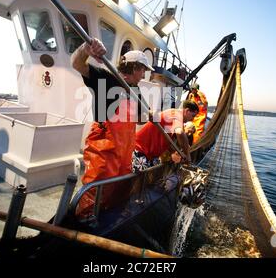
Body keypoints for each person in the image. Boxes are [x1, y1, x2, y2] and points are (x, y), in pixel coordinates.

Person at [71, 38, 154, 218]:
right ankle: (82, 223)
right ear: (134, 68)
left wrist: (149, 115)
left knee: (117, 194)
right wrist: (86, 49)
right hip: (104, 154)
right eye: (143, 70)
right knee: (93, 197)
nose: (144, 75)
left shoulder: (136, 91)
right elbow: (77, 63)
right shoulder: (107, 78)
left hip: (125, 155)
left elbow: (139, 119)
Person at [132, 100, 199, 173]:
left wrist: (176, 152)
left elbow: (167, 141)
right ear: (187, 111)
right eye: (193, 116)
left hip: (150, 155)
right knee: (138, 180)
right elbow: (179, 132)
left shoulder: (174, 117)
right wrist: (187, 155)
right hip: (140, 150)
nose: (192, 119)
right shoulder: (177, 114)